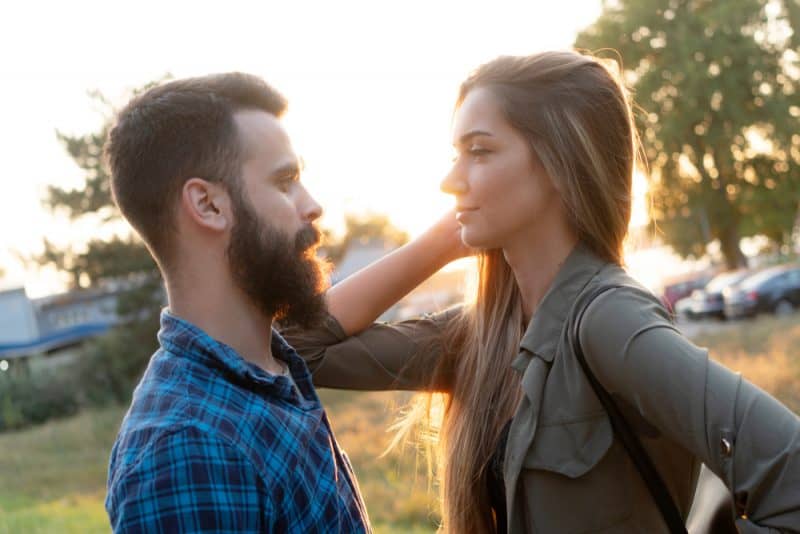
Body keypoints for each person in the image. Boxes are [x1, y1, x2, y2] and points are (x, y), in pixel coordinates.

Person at [283, 51, 800, 533]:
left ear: (560, 161)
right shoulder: (479, 335)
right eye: (456, 154)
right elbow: (298, 348)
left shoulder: (609, 317)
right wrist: (440, 243)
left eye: (479, 151)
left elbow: (791, 470)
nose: (449, 180)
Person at [104, 73, 370, 533]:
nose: (312, 206)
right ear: (207, 205)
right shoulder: (188, 449)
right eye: (285, 181)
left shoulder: (268, 372)